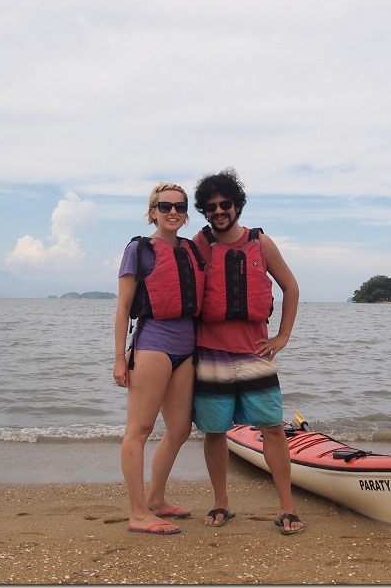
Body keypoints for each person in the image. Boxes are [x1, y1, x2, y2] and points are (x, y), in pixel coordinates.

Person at [190, 168, 306, 535]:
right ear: (204, 211)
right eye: (211, 207)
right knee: (213, 431)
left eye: (226, 204)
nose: (219, 211)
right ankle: (221, 502)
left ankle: (287, 507)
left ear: (237, 206)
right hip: (211, 355)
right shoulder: (199, 244)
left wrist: (283, 336)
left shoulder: (261, 243)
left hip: (255, 354)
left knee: (272, 428)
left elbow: (291, 287)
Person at [113, 182, 205, 535]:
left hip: (187, 347)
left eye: (179, 207)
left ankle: (156, 499)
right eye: (164, 207)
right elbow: (123, 307)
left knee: (180, 429)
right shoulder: (138, 250)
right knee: (139, 430)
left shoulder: (191, 250)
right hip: (153, 344)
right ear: (152, 212)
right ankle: (138, 513)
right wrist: (120, 358)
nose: (172, 213)